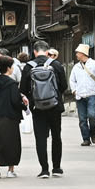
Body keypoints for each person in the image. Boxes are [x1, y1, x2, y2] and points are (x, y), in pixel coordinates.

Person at [22, 44, 68, 178]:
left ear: (35, 52)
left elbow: (23, 89)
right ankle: (57, 168)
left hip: (37, 107)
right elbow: (64, 86)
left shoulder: (29, 66)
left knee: (40, 138)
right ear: (47, 51)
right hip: (54, 106)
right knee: (56, 136)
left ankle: (44, 169)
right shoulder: (56, 65)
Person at [69, 46, 95, 146]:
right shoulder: (76, 67)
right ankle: (86, 139)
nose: (76, 55)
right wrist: (74, 90)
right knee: (82, 119)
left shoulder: (94, 64)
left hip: (92, 94)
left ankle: (92, 132)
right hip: (80, 95)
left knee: (92, 115)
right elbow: (72, 80)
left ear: (82, 53)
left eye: (77, 53)